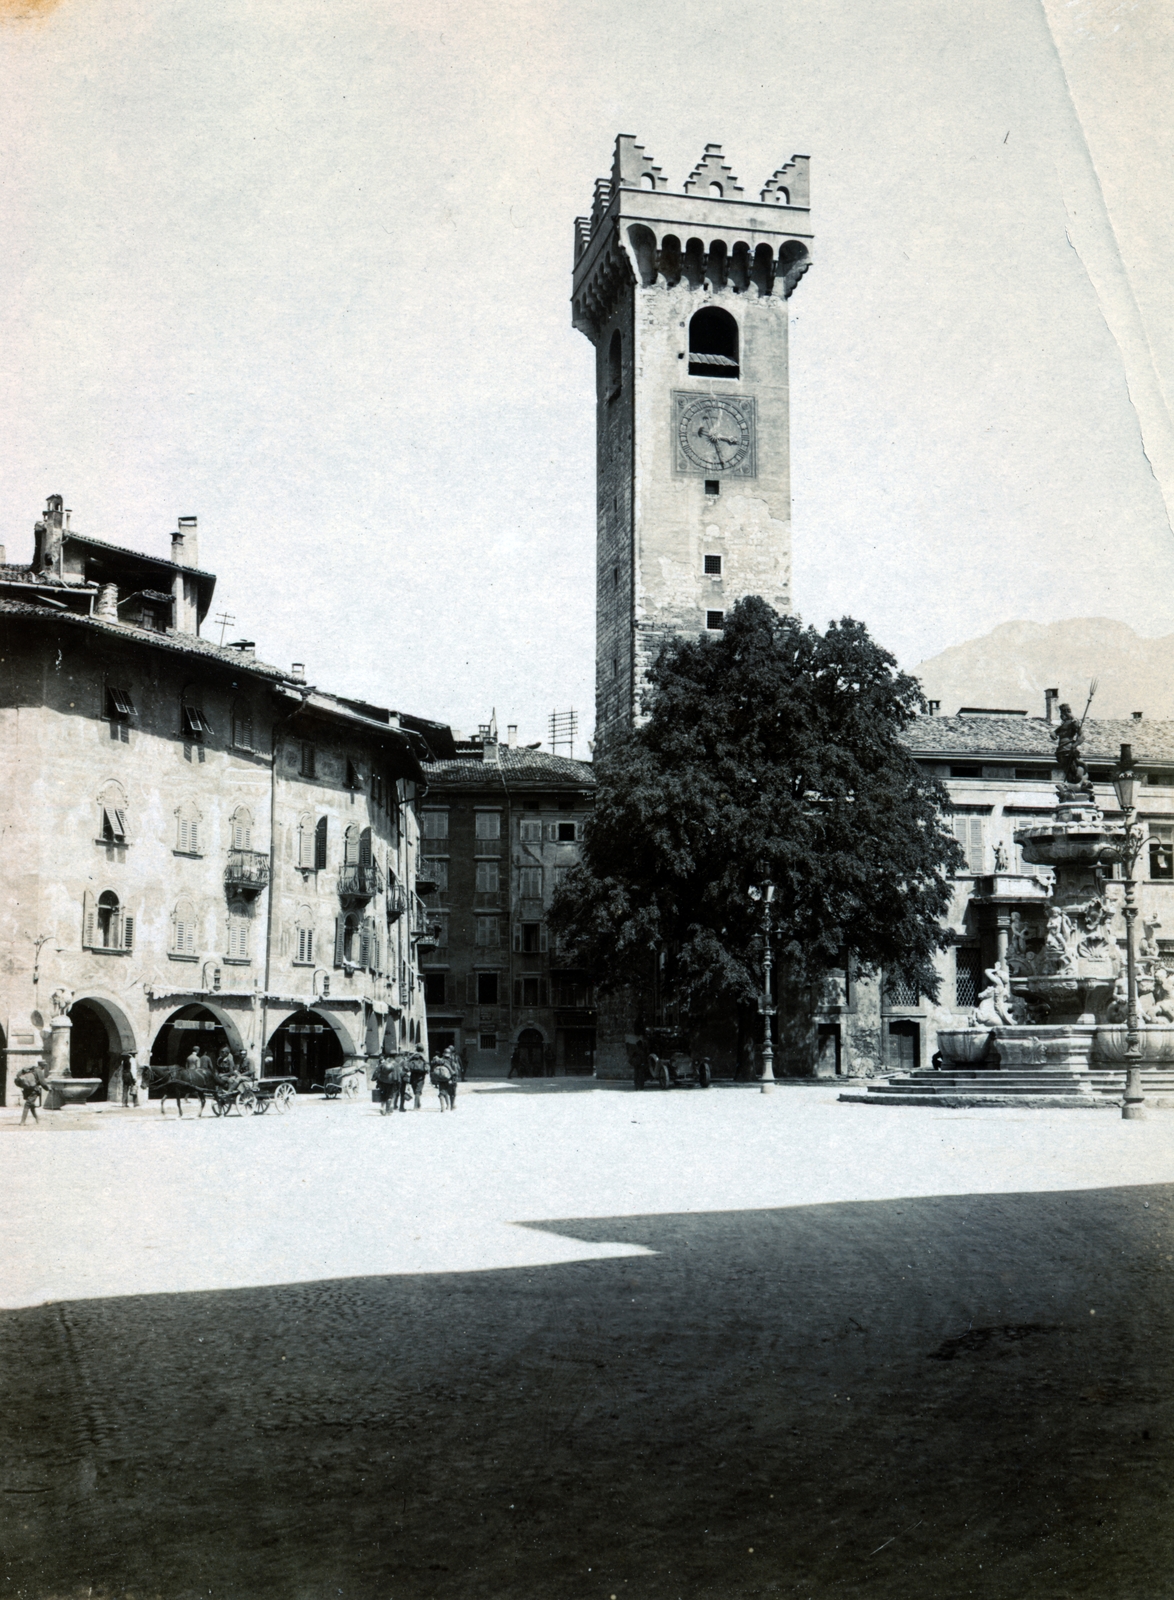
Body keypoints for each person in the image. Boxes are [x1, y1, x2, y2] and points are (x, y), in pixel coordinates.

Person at [17, 1059, 50, 1125]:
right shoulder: (39, 1071)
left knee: (31, 1104)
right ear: (42, 1065)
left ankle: (37, 1119)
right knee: (28, 1104)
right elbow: (43, 1083)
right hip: (34, 1090)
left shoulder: (31, 1070)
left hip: (26, 1089)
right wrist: (48, 1089)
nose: (45, 1066)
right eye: (44, 1065)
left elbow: (19, 1075)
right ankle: (22, 1122)